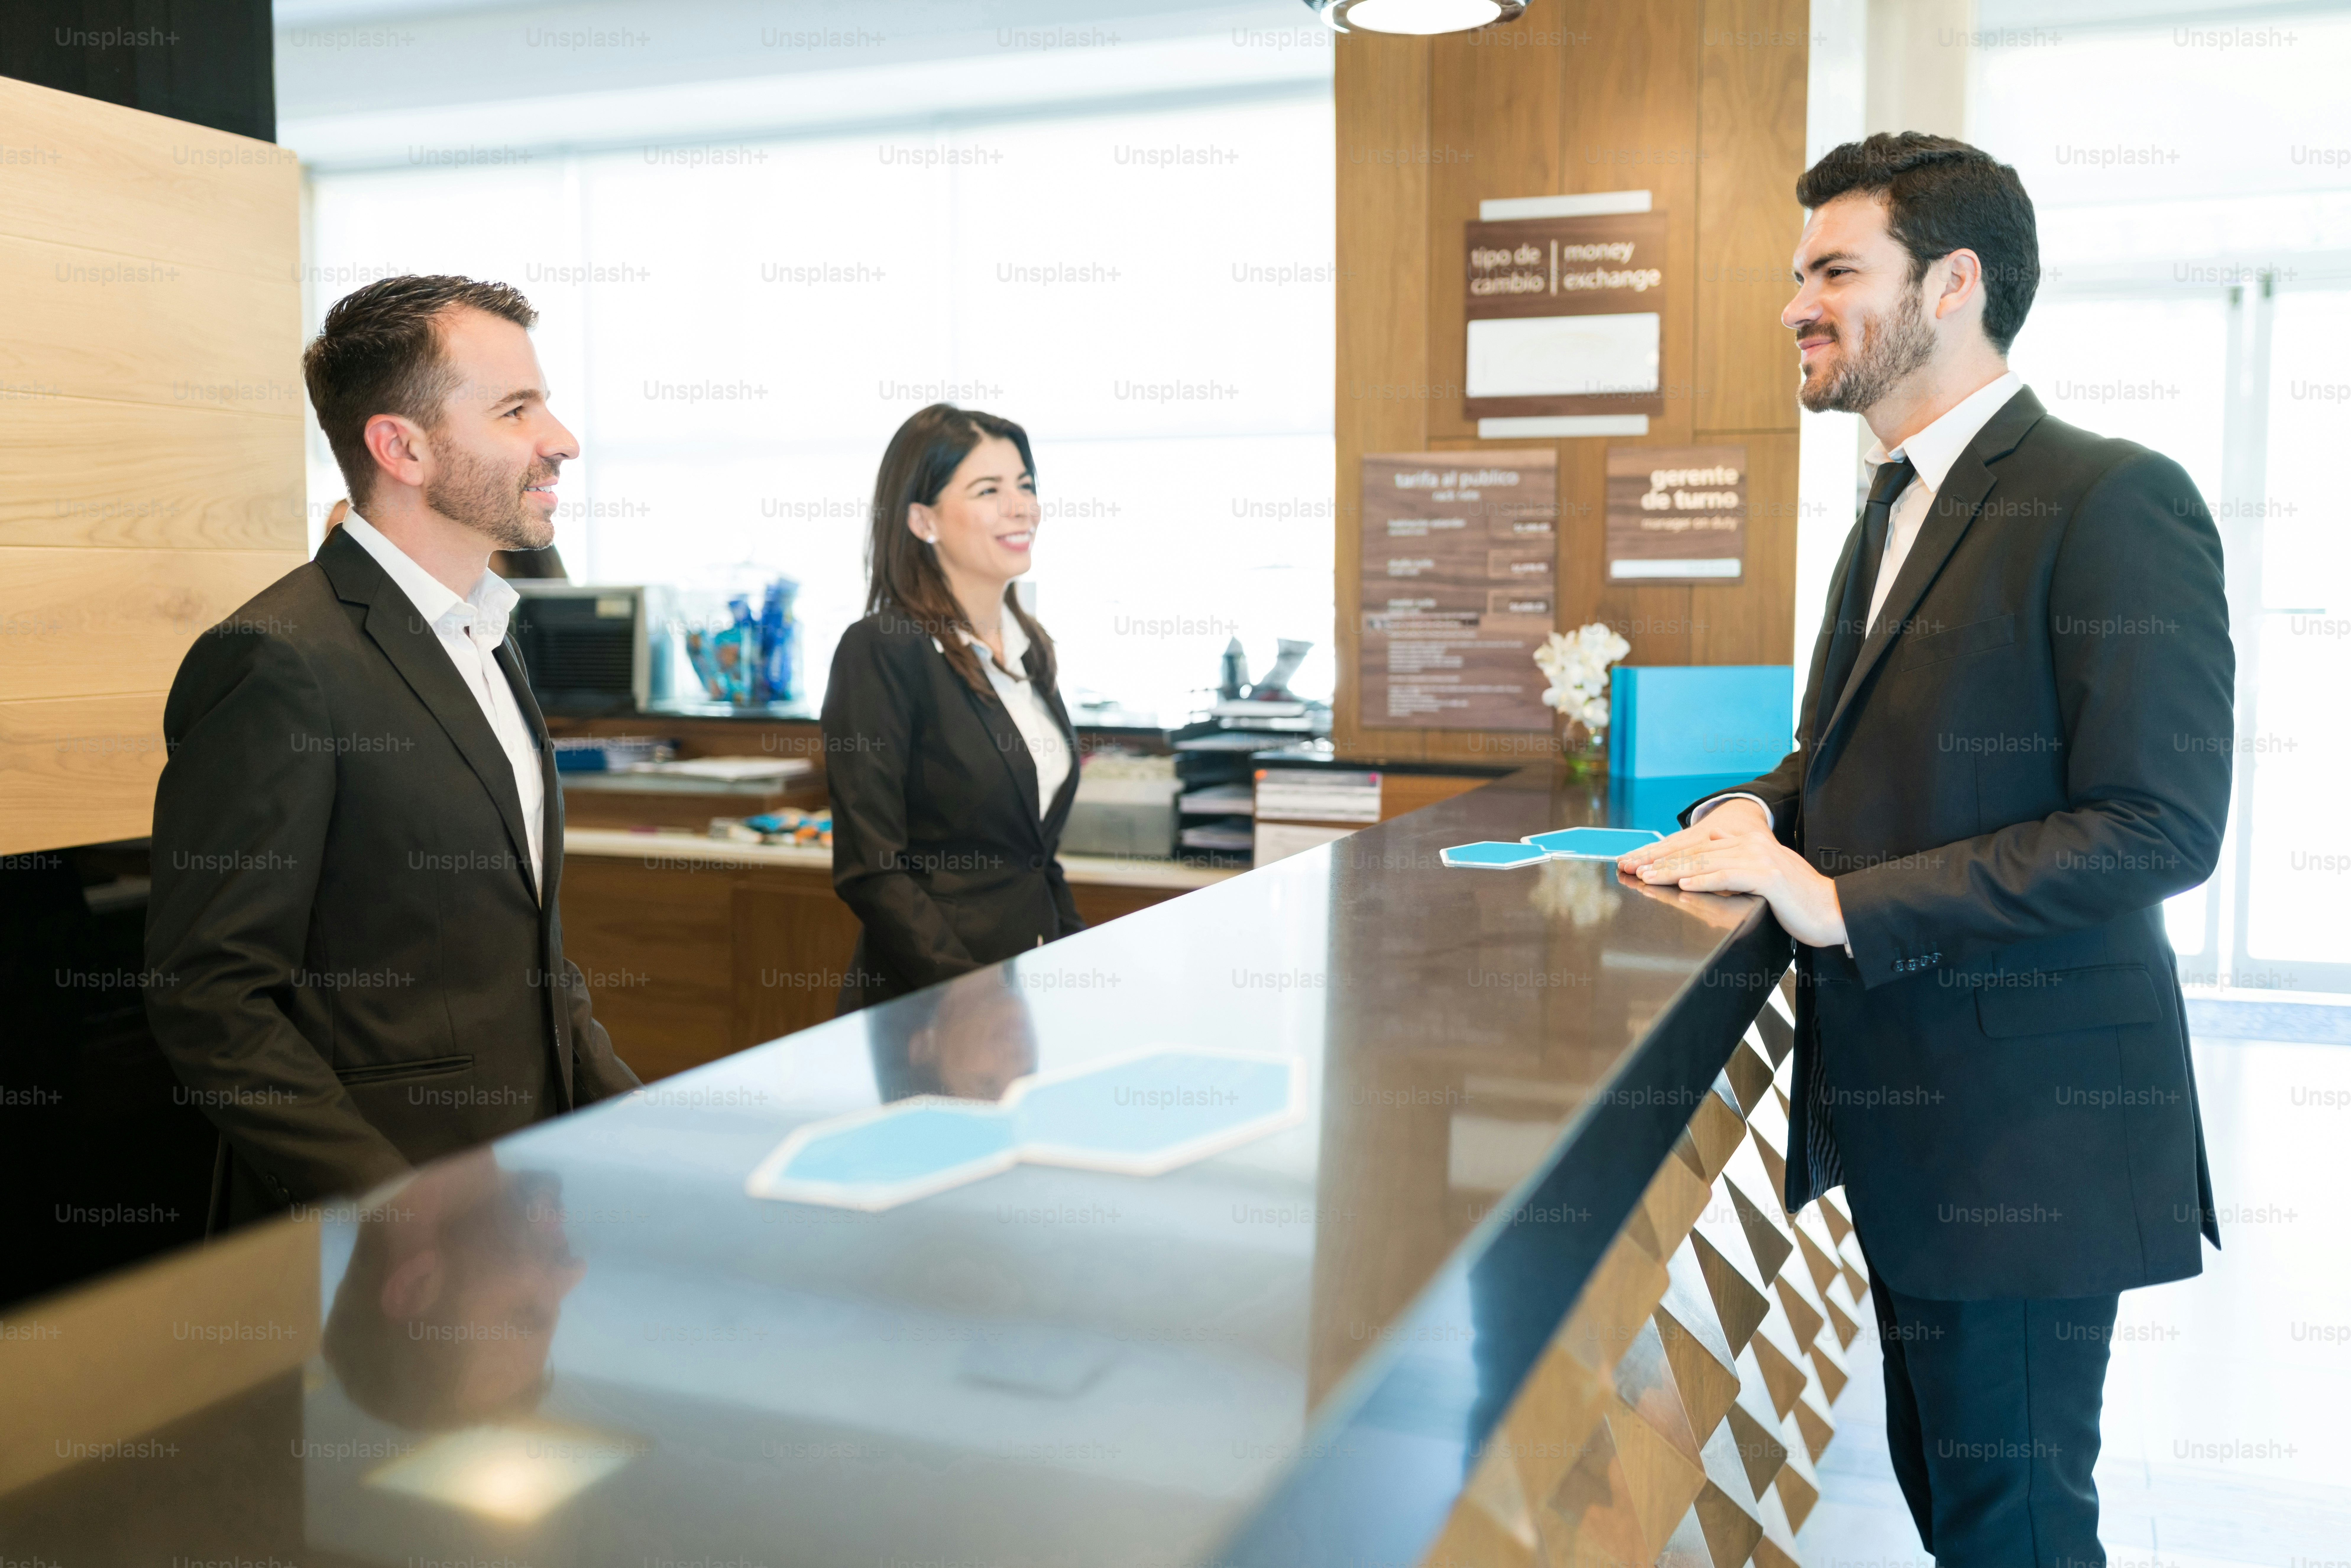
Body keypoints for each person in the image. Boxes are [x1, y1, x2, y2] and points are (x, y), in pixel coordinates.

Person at [1618, 133, 2232, 1564]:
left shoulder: (2110, 496)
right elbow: (1839, 751)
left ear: (1952, 284)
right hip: (1920, 1129)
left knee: (2014, 1527)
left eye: (1835, 270)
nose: (1795, 306)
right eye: (1799, 273)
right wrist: (1751, 814)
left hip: (2034, 1127)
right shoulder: (1893, 506)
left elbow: (2158, 824)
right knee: (1959, 1506)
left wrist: (1832, 898)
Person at [146, 275, 639, 1232]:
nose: (562, 440)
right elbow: (212, 999)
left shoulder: (489, 634)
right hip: (373, 1237)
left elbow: (528, 956)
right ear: (400, 447)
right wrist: (391, 1201)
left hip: (515, 1207)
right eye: (516, 409)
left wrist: (630, 1126)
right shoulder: (277, 662)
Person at [822, 404, 1083, 1016]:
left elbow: (1035, 857)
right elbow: (872, 869)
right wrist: (969, 995)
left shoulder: (1029, 649)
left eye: (1025, 486)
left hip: (1027, 1002)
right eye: (988, 490)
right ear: (921, 519)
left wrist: (1079, 959)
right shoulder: (883, 648)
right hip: (931, 1010)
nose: (1020, 507)